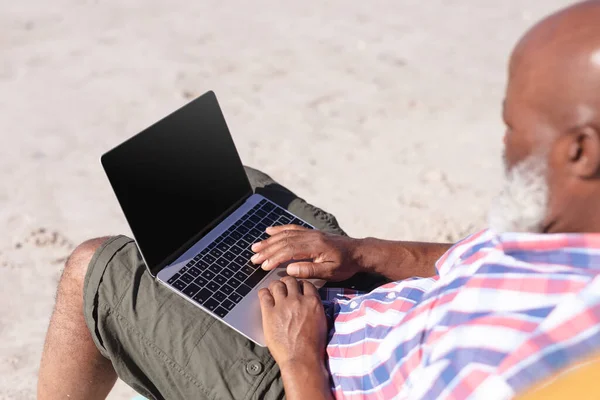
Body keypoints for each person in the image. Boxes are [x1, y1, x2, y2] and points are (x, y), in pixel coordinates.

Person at [38, 1, 600, 399]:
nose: (504, 144)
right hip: (363, 306)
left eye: (515, 126)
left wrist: (299, 357)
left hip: (303, 377)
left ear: (581, 152)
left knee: (97, 267)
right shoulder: (572, 244)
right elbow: (474, 261)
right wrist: (360, 252)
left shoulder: (539, 372)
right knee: (237, 195)